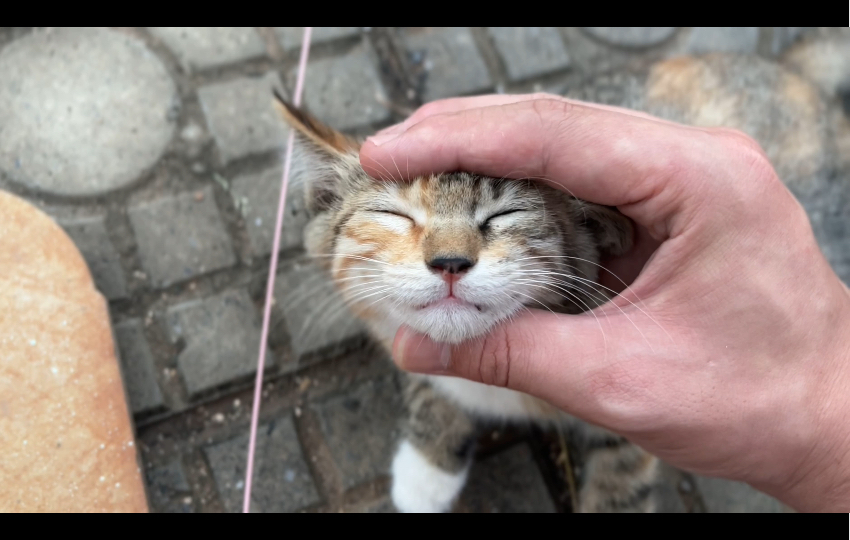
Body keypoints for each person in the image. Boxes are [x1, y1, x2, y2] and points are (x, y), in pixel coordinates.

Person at [358, 94, 850, 513]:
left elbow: (628, 437)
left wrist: (821, 417)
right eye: (393, 215)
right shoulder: (380, 297)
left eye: (505, 214)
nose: (450, 256)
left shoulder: (604, 296)